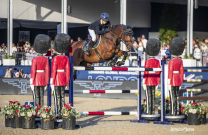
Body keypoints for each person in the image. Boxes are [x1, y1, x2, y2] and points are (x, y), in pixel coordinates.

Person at [50, 33, 70, 119]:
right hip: (63, 78)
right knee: (62, 97)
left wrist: (52, 80)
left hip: (57, 77)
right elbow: (68, 70)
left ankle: (58, 112)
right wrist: (67, 80)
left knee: (57, 97)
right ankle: (62, 112)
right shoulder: (66, 58)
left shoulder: (55, 58)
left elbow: (54, 71)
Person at [30, 34, 50, 107]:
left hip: (36, 79)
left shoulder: (34, 59)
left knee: (36, 97)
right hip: (42, 78)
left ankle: (37, 110)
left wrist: (31, 82)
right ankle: (41, 110)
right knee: (41, 96)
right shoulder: (46, 59)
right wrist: (46, 82)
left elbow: (33, 71)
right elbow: (47, 72)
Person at [143, 38, 161, 115]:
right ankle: (153, 110)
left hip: (148, 79)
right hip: (154, 79)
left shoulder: (147, 61)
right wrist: (157, 81)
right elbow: (159, 71)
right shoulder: (157, 61)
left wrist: (144, 81)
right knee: (153, 96)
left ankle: (148, 110)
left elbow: (145, 72)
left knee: (148, 96)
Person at [168, 37, 185, 116]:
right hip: (178, 79)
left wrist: (168, 82)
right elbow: (182, 72)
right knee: (177, 96)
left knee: (172, 96)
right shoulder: (180, 60)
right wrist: (181, 82)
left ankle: (173, 112)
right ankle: (177, 111)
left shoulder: (171, 61)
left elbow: (170, 72)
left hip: (172, 79)